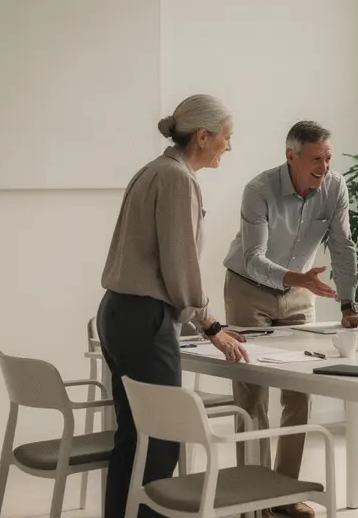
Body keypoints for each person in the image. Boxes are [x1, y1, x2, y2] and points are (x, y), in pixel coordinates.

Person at [97, 94, 248, 518]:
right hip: (145, 319)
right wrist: (212, 325)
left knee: (134, 436)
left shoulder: (152, 171)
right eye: (226, 137)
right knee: (162, 441)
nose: (229, 146)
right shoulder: (179, 180)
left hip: (117, 313)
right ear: (203, 137)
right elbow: (180, 265)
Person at [222, 120, 358, 518]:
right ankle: (251, 499)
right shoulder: (259, 190)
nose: (324, 167)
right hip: (249, 287)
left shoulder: (335, 187)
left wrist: (347, 305)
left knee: (299, 391)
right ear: (291, 157)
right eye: (315, 159)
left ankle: (282, 495)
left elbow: (342, 245)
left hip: (301, 291)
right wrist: (294, 278)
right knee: (251, 394)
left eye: (328, 157)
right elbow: (253, 259)